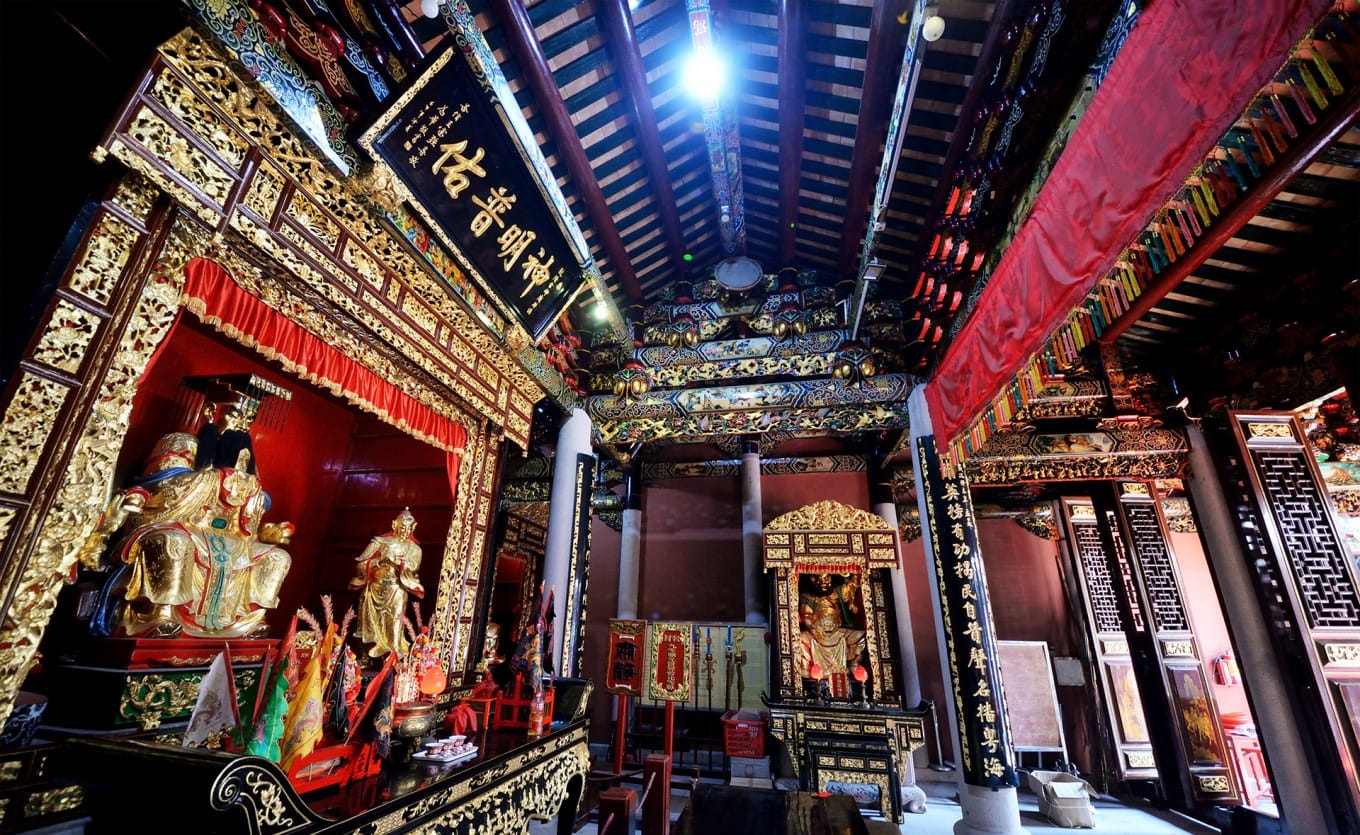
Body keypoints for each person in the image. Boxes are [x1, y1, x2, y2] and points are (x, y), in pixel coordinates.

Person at [350, 509, 425, 657]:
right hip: (375, 587)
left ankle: (394, 650)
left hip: (397, 588)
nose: (405, 531)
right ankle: (369, 651)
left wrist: (397, 562)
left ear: (414, 527)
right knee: (371, 622)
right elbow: (360, 564)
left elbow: (413, 567)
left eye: (409, 528)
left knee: (396, 619)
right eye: (402, 527)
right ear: (394, 525)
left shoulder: (414, 549)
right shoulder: (380, 542)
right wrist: (379, 561)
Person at [796, 572, 866, 698]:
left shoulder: (836, 594)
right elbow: (806, 616)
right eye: (819, 580)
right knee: (801, 639)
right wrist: (815, 629)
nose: (823, 583)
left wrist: (850, 574)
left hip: (837, 631)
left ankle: (853, 664)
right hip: (817, 632)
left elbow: (852, 585)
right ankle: (806, 669)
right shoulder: (808, 598)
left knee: (859, 636)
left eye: (826, 580)